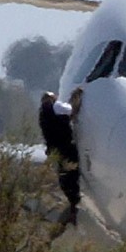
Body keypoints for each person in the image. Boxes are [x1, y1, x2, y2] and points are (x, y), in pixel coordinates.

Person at [39, 91, 81, 226]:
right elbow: (71, 111)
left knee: (64, 177)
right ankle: (74, 208)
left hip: (56, 151)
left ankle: (72, 207)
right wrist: (76, 98)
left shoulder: (42, 114)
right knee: (73, 174)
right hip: (66, 147)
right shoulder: (56, 106)